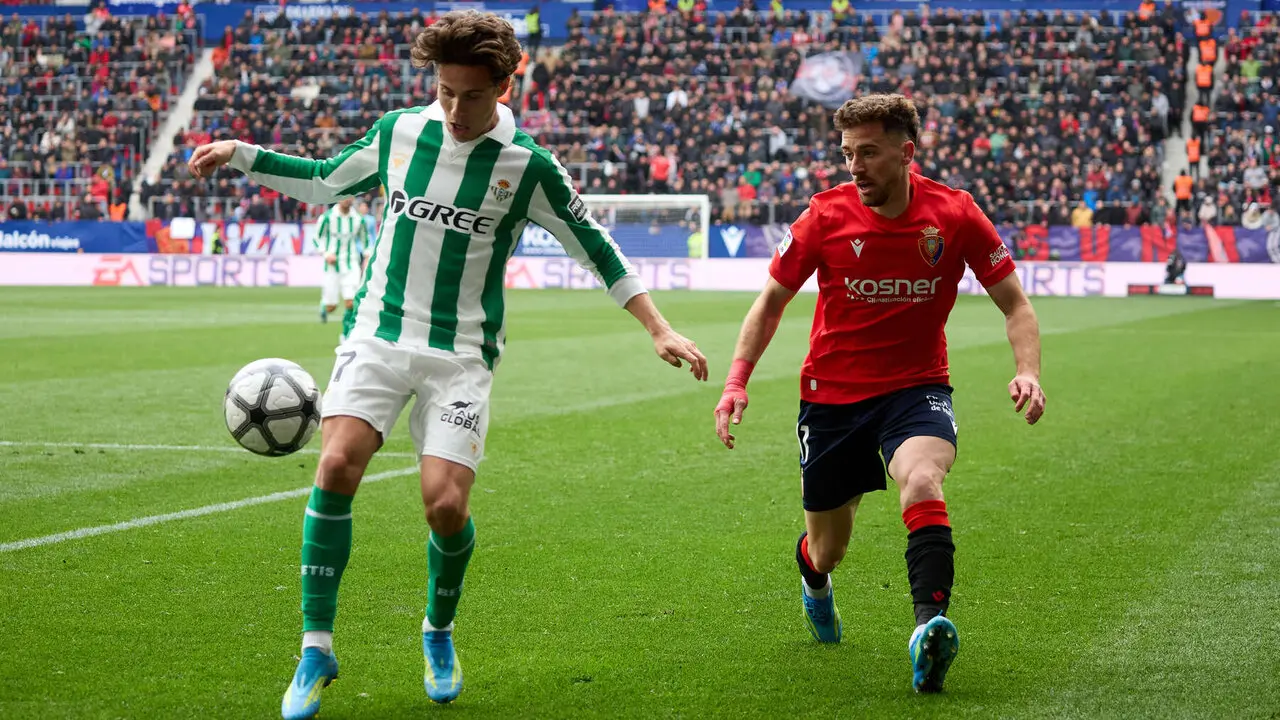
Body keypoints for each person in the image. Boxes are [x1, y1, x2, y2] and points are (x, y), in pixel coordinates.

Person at [188, 11, 709, 719]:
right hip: (376, 334)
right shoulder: (401, 131)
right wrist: (242, 152)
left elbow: (594, 247)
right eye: (443, 91)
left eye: (470, 95)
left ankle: (438, 630)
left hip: (462, 357)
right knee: (336, 463)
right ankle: (315, 646)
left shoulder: (529, 167)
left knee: (445, 504)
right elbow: (323, 181)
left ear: (504, 83)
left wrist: (659, 327)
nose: (455, 109)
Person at [712, 94, 1045, 694]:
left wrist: (1028, 370)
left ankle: (928, 627)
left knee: (921, 480)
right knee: (829, 547)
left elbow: (1015, 303)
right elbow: (770, 304)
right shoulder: (823, 217)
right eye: (847, 154)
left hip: (915, 390)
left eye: (867, 152)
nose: (855, 166)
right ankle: (815, 580)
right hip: (832, 397)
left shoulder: (956, 215)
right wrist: (736, 381)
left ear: (906, 152)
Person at [312, 196, 369, 337]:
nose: (347, 199)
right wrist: (326, 254)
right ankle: (325, 306)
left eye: (350, 196)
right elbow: (316, 238)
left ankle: (345, 335)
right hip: (332, 266)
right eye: (344, 196)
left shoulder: (358, 219)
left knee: (351, 302)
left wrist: (367, 256)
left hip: (351, 264)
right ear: (338, 198)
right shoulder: (327, 217)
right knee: (332, 307)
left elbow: (365, 240)